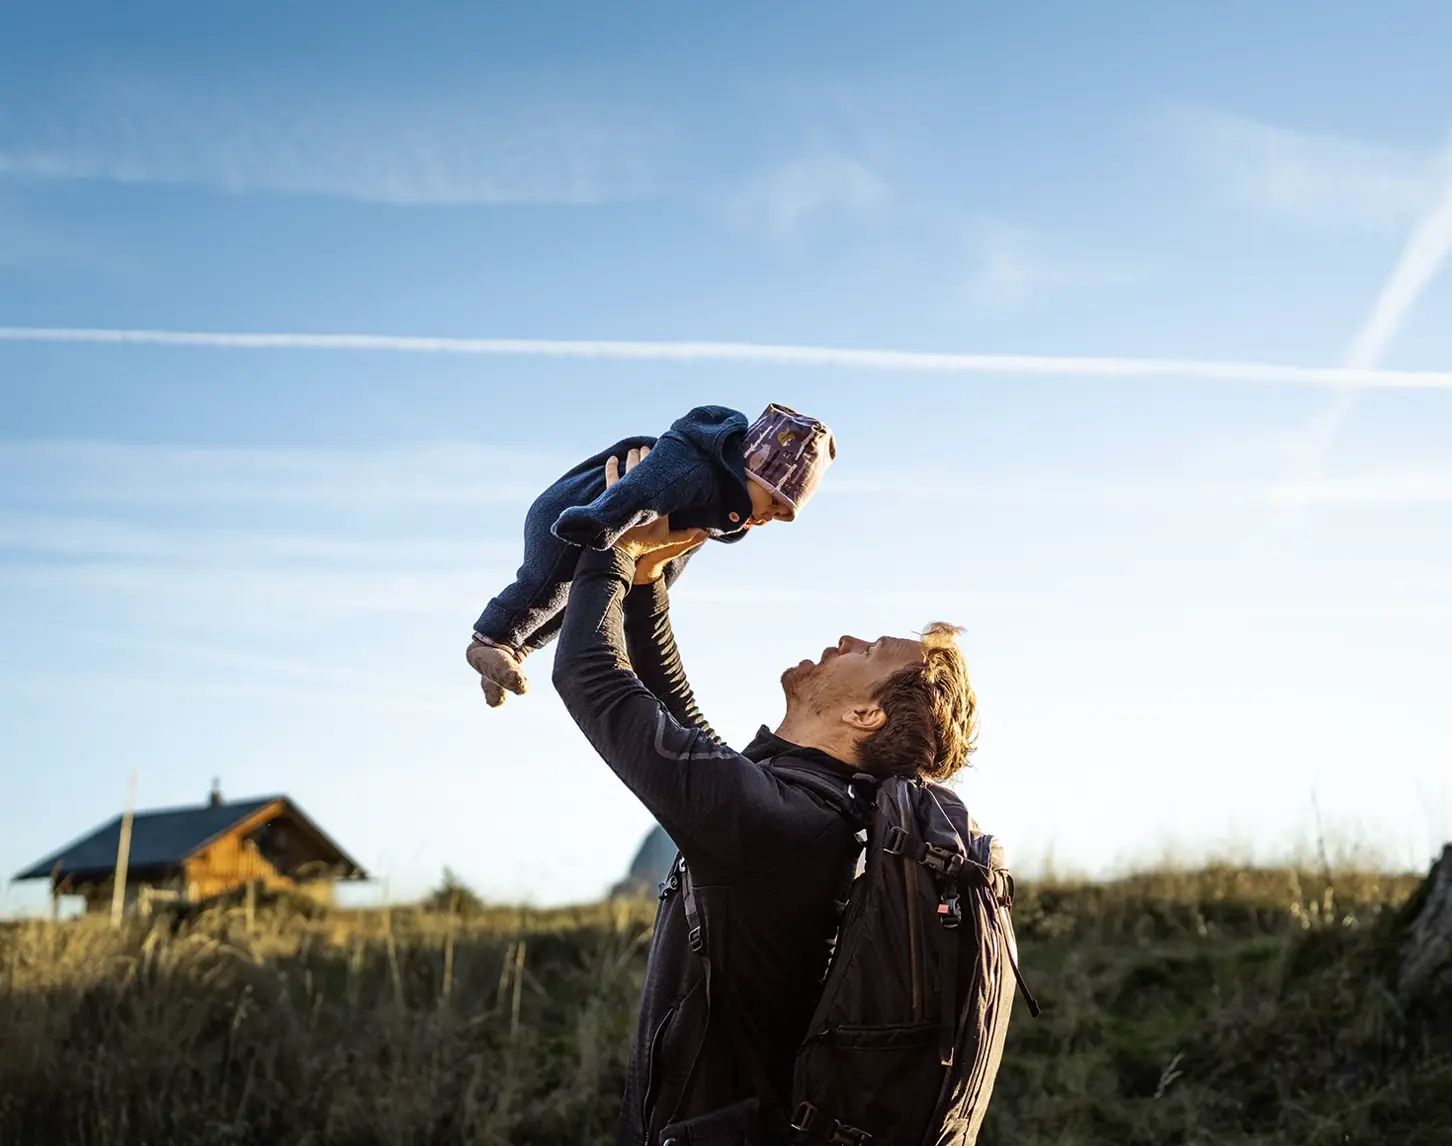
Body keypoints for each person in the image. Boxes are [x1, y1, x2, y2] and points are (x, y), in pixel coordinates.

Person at [551, 447, 979, 1146]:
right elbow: (678, 718)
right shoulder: (808, 811)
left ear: (865, 718)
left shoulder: (779, 825)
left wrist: (608, 543)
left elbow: (592, 679)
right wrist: (645, 583)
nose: (845, 638)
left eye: (868, 650)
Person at [467, 403, 836, 706]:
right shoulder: (693, 467)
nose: (769, 516)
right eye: (773, 502)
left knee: (568, 604)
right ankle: (490, 638)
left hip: (615, 530)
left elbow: (681, 543)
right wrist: (598, 521)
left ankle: (513, 651)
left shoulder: (721, 504)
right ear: (751, 468)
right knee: (547, 581)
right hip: (578, 511)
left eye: (780, 515)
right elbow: (643, 489)